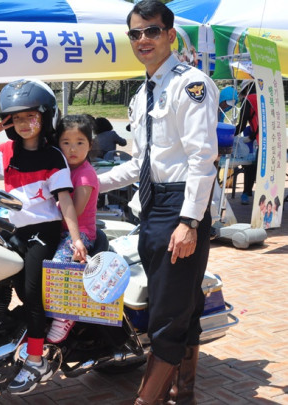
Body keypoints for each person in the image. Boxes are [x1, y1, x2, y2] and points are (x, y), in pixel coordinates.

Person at [97, 2, 218, 404]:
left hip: (180, 208)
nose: (143, 39)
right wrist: (90, 183)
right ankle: (183, 393)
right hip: (152, 208)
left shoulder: (191, 84)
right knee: (182, 305)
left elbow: (202, 158)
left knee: (166, 314)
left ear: (170, 35)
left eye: (151, 31)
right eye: (136, 33)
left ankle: (147, 399)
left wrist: (190, 221)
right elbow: (140, 164)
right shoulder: (141, 94)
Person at [0, 79, 87, 395]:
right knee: (7, 284)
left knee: (32, 293)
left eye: (31, 116)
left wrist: (76, 239)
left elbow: (65, 200)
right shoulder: (5, 151)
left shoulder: (54, 156)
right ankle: (18, 337)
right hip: (14, 231)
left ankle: (36, 359)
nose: (24, 123)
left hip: (42, 232)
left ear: (45, 117)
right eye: (16, 118)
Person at [47, 114, 100, 344]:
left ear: (90, 144)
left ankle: (65, 316)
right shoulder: (62, 169)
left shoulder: (85, 175)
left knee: (59, 265)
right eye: (66, 142)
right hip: (60, 229)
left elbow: (75, 212)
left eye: (80, 142)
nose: (72, 149)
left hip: (80, 233)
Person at [235, 79, 258, 205]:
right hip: (271, 140)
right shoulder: (265, 98)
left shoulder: (248, 100)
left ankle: (246, 193)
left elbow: (241, 126)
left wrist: (229, 136)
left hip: (259, 140)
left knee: (250, 164)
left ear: (246, 89)